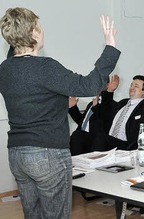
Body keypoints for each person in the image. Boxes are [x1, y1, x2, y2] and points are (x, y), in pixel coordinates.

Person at [0, 8, 120, 218]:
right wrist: (110, 47)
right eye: (39, 26)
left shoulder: (5, 69)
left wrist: (17, 33)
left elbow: (16, 56)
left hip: (17, 155)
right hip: (47, 155)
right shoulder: (45, 68)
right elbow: (89, 86)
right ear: (34, 33)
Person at [101, 75, 144, 150]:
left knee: (99, 138)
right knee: (83, 135)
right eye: (131, 85)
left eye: (136, 86)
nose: (132, 88)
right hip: (110, 141)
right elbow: (105, 113)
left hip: (127, 145)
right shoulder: (123, 103)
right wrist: (109, 91)